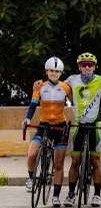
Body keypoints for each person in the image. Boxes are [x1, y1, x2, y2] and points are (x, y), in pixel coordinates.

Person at [62, 53, 101, 207]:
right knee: (74, 161)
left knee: (95, 161)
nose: (87, 67)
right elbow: (56, 86)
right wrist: (39, 85)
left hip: (96, 124)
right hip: (79, 124)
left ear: (94, 67)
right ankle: (71, 194)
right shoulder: (72, 79)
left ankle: (97, 195)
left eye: (90, 65)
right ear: (79, 66)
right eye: (84, 64)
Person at [22, 57, 70, 199]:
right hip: (44, 125)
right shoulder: (40, 87)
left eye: (57, 71)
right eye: (51, 71)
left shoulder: (66, 87)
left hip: (60, 127)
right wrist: (27, 119)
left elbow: (77, 103)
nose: (54, 73)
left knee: (58, 164)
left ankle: (56, 196)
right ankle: (31, 178)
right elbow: (32, 106)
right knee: (31, 154)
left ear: (61, 73)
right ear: (46, 71)